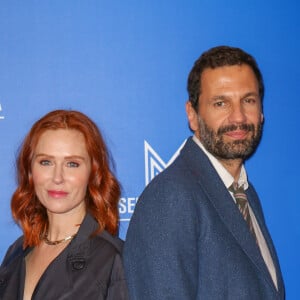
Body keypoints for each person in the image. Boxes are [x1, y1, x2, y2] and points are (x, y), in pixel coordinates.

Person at [123, 46, 285, 299]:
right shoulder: (170, 198)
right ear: (192, 114)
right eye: (221, 103)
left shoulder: (245, 194)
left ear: (262, 112)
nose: (239, 117)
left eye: (248, 100)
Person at [0, 110, 129, 299]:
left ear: (93, 173)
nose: (57, 178)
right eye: (46, 162)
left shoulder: (113, 260)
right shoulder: (16, 252)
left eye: (72, 164)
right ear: (29, 170)